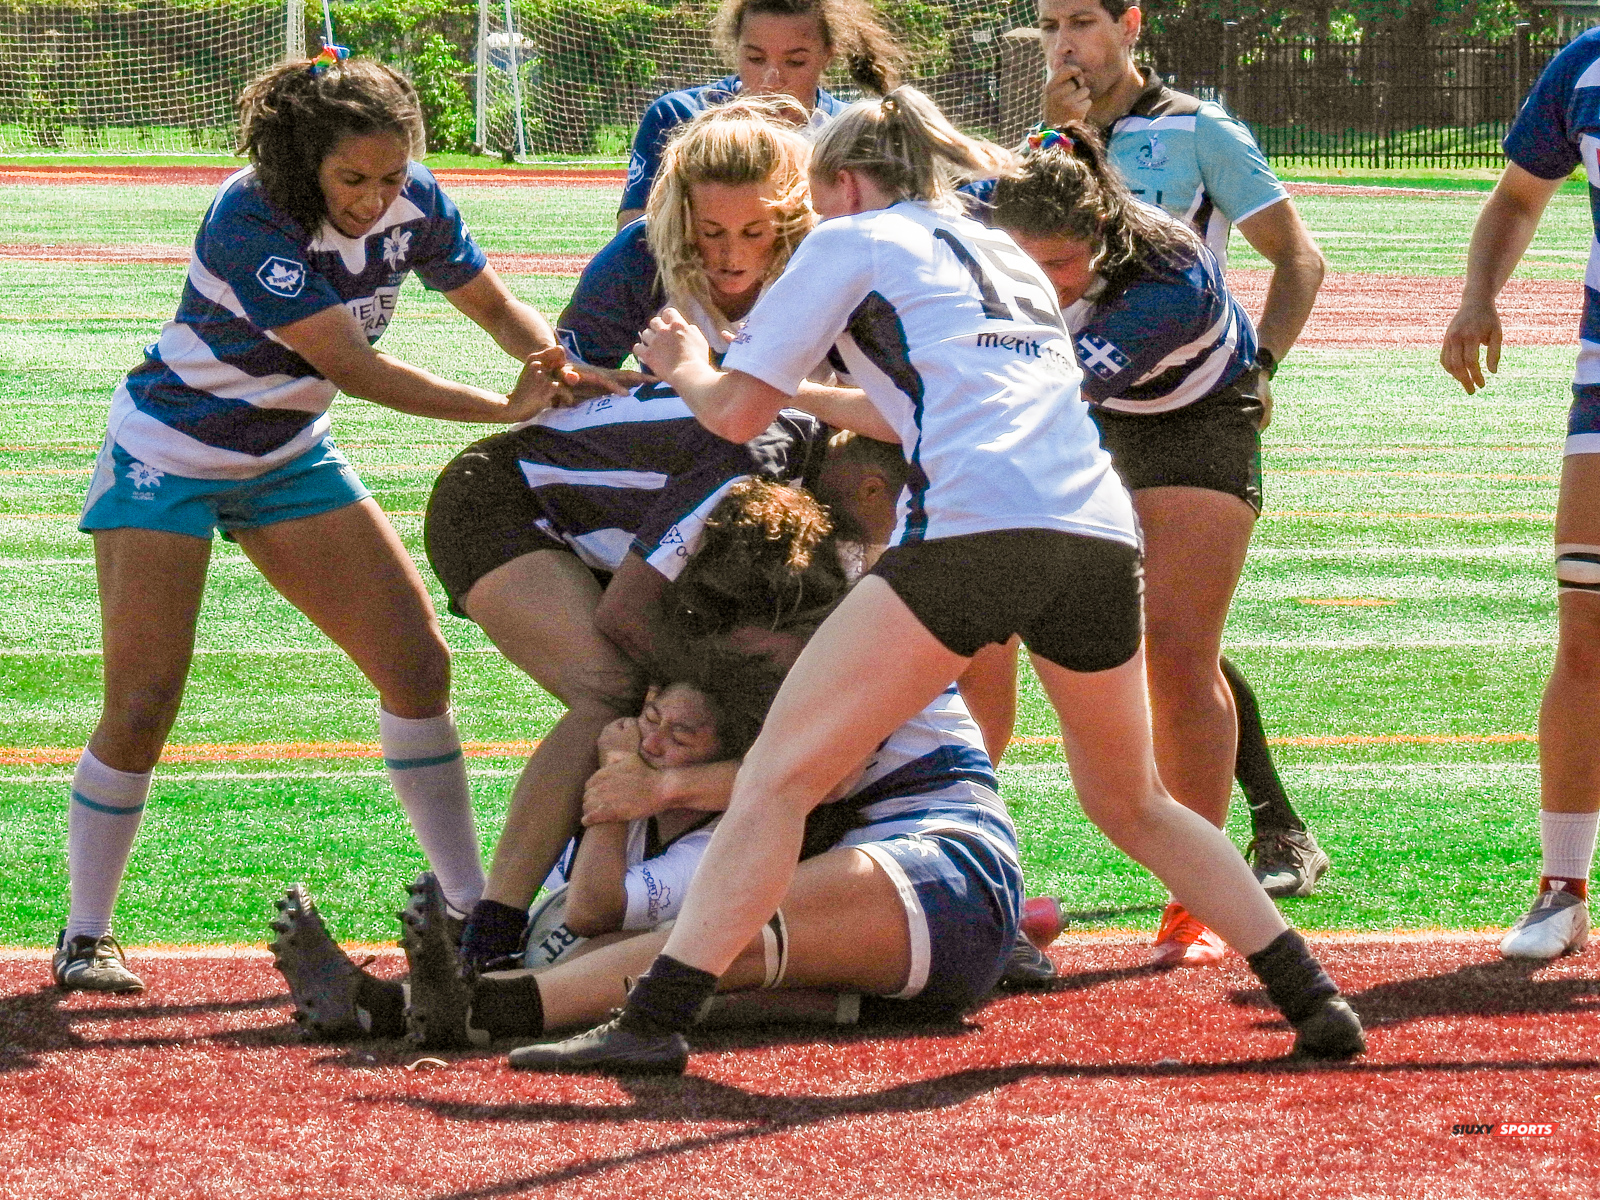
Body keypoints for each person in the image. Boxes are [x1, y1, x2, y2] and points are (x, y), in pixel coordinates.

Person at [511, 86, 1365, 1075]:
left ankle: (653, 1024)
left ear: (839, 182)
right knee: (1132, 801)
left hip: (972, 531)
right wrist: (771, 377)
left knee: (779, 777)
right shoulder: (996, 244)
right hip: (1092, 528)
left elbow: (736, 418)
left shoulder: (851, 239)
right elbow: (906, 409)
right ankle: (1313, 998)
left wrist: (692, 365)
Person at [52, 53, 581, 995]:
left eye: (390, 176)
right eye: (353, 180)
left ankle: (466, 913)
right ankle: (86, 934)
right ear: (304, 164)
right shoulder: (250, 215)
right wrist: (503, 411)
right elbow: (357, 369)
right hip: (169, 453)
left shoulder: (416, 200)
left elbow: (494, 306)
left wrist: (560, 368)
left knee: (417, 664)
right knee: (142, 705)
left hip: (288, 454)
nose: (377, 199)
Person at [992, 0, 1331, 901]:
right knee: (1132, 636)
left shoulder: (1197, 129)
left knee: (1180, 644)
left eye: (1083, 22)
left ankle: (1255, 837)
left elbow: (1299, 260)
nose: (1066, 43)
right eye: (1049, 23)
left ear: (1130, 23)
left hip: (1190, 404)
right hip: (1087, 403)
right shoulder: (1036, 149)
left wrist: (1260, 369)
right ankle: (1261, 824)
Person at [423, 381, 828, 980]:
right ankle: (488, 932)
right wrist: (709, 700)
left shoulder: (800, 455)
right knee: (612, 693)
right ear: (874, 478)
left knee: (693, 692)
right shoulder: (755, 459)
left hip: (575, 512)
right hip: (500, 501)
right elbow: (626, 615)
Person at [1441, 27, 1600, 961]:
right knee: (1584, 629)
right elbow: (1515, 196)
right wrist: (1477, 295)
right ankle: (1562, 886)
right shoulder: (1583, 64)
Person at [561, 96, 815, 374]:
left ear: (788, 218)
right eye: (711, 232)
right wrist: (637, 388)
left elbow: (865, 398)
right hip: (669, 414)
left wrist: (749, 389)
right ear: (681, 217)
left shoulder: (817, 255)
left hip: (795, 415)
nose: (731, 255)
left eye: (753, 233)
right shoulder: (641, 253)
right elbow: (566, 375)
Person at [615, 0, 899, 228]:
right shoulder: (679, 116)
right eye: (755, 59)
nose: (772, 80)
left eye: (795, 62)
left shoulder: (854, 132)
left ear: (828, 55)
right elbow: (633, 238)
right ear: (736, 48)